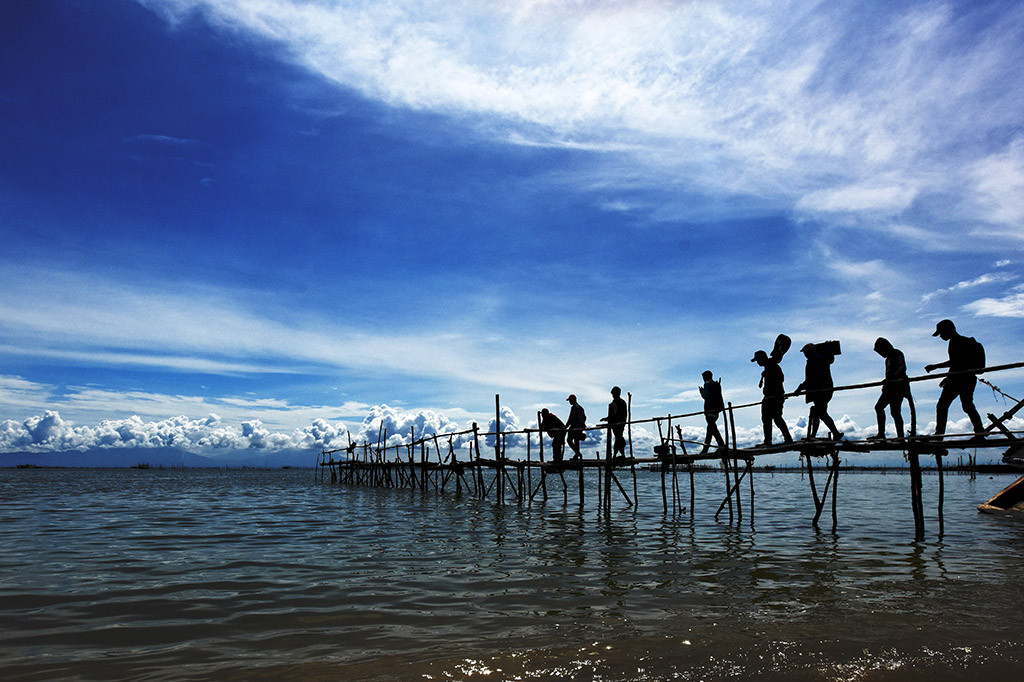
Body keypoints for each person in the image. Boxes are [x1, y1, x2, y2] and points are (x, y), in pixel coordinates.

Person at [925, 319, 986, 438]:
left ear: (947, 330)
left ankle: (939, 434)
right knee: (967, 405)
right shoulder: (963, 342)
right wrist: (947, 377)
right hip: (967, 379)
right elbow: (957, 363)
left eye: (941, 333)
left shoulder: (955, 342)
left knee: (942, 405)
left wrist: (935, 367)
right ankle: (980, 431)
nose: (941, 336)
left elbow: (955, 362)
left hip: (958, 380)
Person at [794, 341, 843, 441]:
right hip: (823, 391)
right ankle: (814, 435)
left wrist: (800, 388)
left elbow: (812, 379)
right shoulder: (820, 359)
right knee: (817, 412)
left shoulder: (815, 361)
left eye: (806, 353)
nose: (805, 355)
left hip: (821, 391)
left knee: (821, 413)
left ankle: (835, 433)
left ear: (810, 352)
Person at [870, 337, 909, 439]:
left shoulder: (897, 354)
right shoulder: (888, 359)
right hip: (889, 388)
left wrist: (891, 379)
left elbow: (901, 368)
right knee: (880, 408)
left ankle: (900, 437)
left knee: (895, 412)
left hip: (897, 387)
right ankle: (882, 434)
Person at [752, 349, 792, 447]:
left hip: (774, 397)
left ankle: (786, 438)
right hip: (770, 397)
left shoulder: (772, 366)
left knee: (776, 418)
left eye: (758, 360)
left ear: (761, 359)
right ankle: (769, 441)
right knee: (767, 419)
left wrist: (776, 393)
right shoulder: (769, 367)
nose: (757, 363)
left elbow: (780, 379)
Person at [698, 371, 726, 455]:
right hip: (716, 410)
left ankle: (721, 446)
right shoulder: (716, 384)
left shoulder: (708, 384)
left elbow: (705, 396)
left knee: (712, 428)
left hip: (709, 410)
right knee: (710, 429)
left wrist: (701, 391)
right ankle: (705, 449)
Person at [599, 386, 628, 460]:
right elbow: (623, 415)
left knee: (618, 439)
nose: (612, 395)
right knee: (618, 438)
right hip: (620, 424)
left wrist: (607, 419)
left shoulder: (616, 402)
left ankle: (618, 455)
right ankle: (617, 455)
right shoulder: (622, 402)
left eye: (613, 394)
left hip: (617, 424)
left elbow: (614, 414)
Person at [565, 394, 587, 460]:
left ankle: (578, 453)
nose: (569, 402)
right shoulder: (581, 408)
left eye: (570, 400)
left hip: (574, 427)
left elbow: (571, 418)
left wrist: (566, 426)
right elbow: (585, 417)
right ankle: (577, 455)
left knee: (569, 440)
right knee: (576, 441)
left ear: (572, 400)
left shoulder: (574, 407)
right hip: (580, 427)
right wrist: (581, 424)